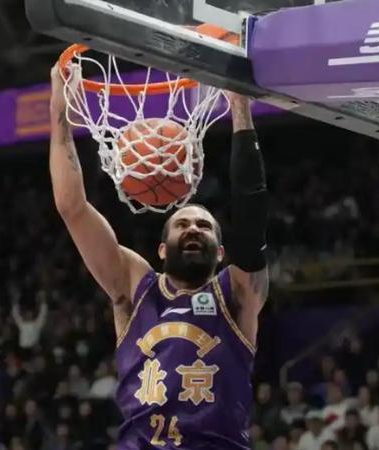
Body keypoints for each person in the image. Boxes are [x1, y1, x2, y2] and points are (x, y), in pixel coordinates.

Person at [49, 64, 269, 450]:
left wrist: (239, 108)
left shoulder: (235, 295)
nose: (193, 229)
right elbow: (72, 208)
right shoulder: (135, 285)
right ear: (162, 249)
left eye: (204, 226)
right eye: (182, 224)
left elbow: (251, 216)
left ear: (221, 253)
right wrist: (59, 108)